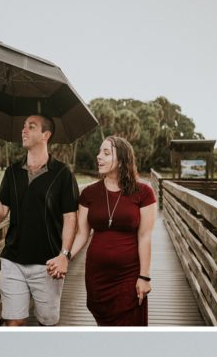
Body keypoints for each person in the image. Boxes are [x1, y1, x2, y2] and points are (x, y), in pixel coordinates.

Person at [0, 114, 79, 326]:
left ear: (45, 135)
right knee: (14, 323)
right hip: (13, 260)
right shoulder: (13, 172)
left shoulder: (62, 174)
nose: (24, 130)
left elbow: (70, 218)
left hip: (48, 264)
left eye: (31, 127)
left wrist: (64, 256)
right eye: (24, 126)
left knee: (47, 323)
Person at [57, 136, 155, 326]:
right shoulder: (89, 193)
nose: (98, 157)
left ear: (122, 160)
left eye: (106, 153)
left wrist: (144, 276)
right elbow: (82, 234)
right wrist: (65, 256)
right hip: (97, 276)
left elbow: (145, 236)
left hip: (129, 274)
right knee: (104, 326)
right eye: (99, 152)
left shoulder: (143, 192)